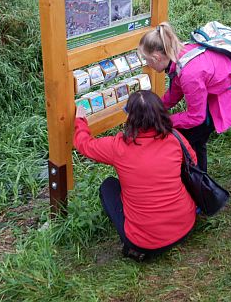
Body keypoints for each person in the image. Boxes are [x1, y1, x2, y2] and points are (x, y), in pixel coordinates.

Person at [73, 90, 197, 261]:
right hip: (185, 225)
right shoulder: (175, 138)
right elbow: (193, 163)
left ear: (130, 117)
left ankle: (133, 246)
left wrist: (80, 120)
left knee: (108, 186)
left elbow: (84, 144)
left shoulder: (118, 146)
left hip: (146, 243)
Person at [138, 22, 231, 172]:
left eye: (147, 60)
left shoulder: (190, 74)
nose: (148, 64)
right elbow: (176, 90)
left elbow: (196, 117)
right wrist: (152, 108)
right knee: (196, 142)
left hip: (221, 100)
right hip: (212, 94)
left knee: (186, 141)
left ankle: (197, 184)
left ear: (156, 57)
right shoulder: (181, 54)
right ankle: (200, 182)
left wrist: (162, 121)